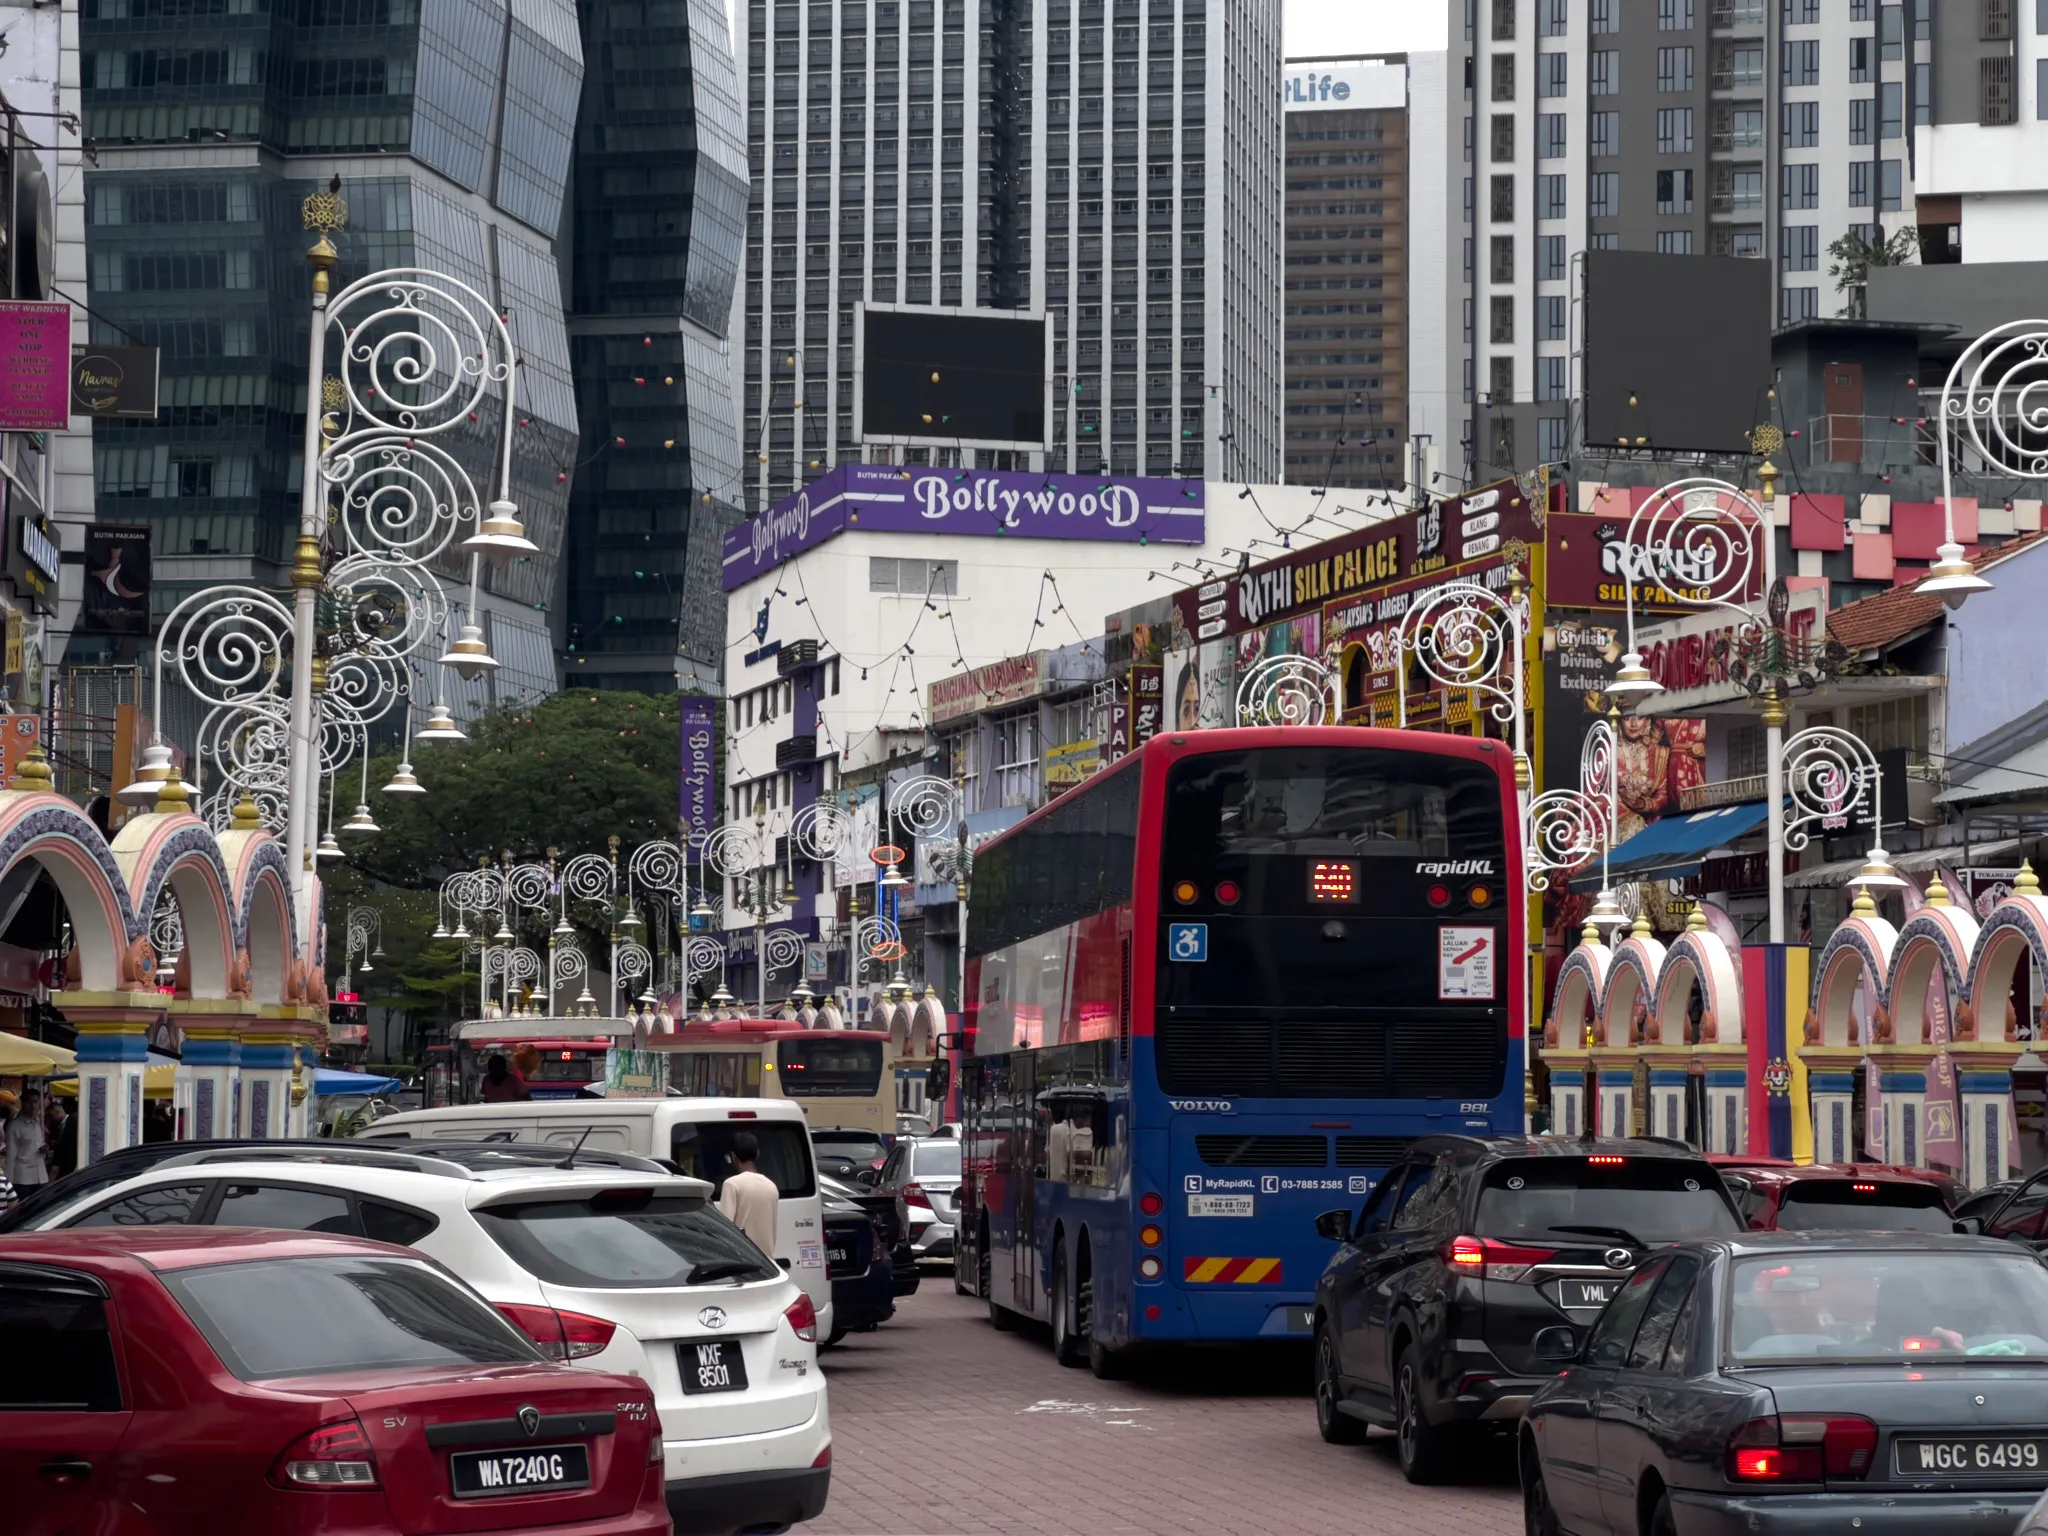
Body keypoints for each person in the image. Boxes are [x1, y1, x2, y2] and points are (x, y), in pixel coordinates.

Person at [717, 1131, 781, 1256]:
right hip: (768, 1262)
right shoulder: (771, 1186)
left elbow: (725, 1229)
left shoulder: (731, 1184)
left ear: (733, 1156)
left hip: (744, 1262)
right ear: (757, 1155)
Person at [4, 1087, 48, 1194]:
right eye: (29, 1102)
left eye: (35, 1102)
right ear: (23, 1104)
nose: (33, 1106)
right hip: (23, 1179)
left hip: (41, 1176)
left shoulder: (38, 1124)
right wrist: (9, 1184)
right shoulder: (15, 1126)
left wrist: (44, 1149)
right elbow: (10, 1157)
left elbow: (38, 1145)